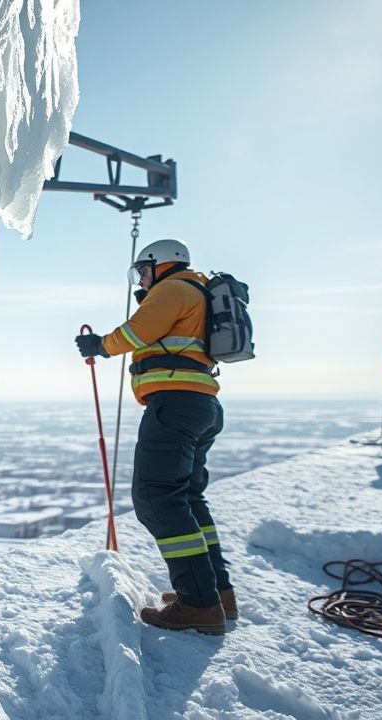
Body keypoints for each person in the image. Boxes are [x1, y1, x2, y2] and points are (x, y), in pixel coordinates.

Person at [74, 238, 235, 636]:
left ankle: (199, 604)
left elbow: (136, 333)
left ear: (162, 265)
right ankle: (218, 593)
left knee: (155, 498)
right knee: (187, 497)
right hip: (200, 405)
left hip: (174, 406)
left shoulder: (173, 289)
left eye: (144, 269)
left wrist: (100, 345)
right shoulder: (192, 291)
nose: (142, 278)